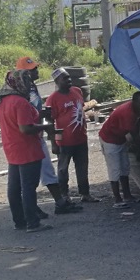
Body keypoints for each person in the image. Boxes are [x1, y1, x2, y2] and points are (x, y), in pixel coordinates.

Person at [0, 56, 81, 216]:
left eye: (35, 68)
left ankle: (28, 215)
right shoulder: (21, 96)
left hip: (20, 142)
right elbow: (25, 123)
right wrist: (46, 126)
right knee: (33, 181)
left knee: (22, 183)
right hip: (29, 141)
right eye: (31, 70)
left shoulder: (14, 94)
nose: (35, 72)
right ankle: (39, 212)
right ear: (22, 75)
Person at [0, 69, 52, 232]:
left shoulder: (2, 101)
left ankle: (19, 221)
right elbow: (25, 128)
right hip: (27, 148)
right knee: (28, 187)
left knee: (14, 188)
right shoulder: (20, 102)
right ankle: (33, 222)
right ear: (19, 83)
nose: (29, 85)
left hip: (11, 149)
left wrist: (38, 116)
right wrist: (46, 126)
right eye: (27, 81)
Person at [45, 67, 98, 204]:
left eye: (69, 77)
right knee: (63, 169)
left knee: (82, 167)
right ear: (57, 81)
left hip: (81, 138)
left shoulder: (77, 91)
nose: (69, 80)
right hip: (64, 141)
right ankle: (64, 195)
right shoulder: (52, 99)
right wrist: (53, 143)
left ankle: (85, 194)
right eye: (65, 78)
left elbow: (82, 107)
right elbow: (50, 122)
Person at [99, 91, 140, 207]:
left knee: (125, 167)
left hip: (120, 139)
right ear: (134, 102)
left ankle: (127, 195)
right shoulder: (127, 113)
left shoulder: (137, 110)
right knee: (115, 169)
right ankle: (117, 199)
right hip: (110, 140)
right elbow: (134, 136)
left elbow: (136, 127)